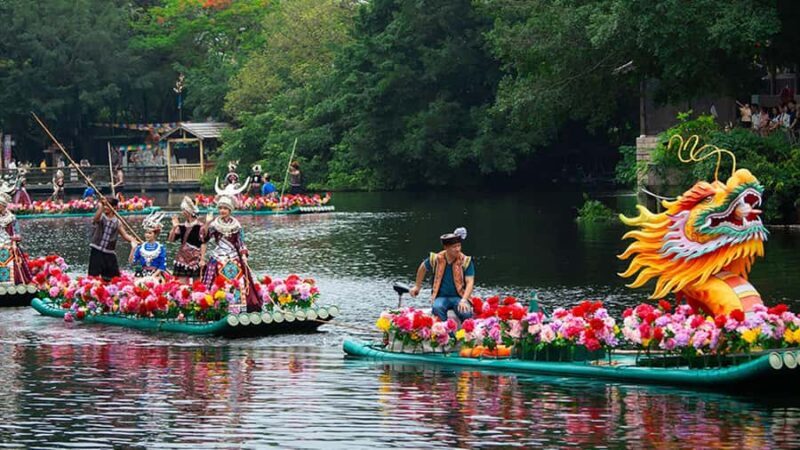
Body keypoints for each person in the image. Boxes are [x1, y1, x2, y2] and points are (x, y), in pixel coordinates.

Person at [202, 179, 259, 312]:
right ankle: (218, 307)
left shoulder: (237, 225)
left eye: (225, 209)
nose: (222, 211)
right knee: (217, 280)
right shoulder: (214, 224)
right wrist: (206, 223)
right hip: (219, 256)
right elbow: (204, 239)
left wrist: (244, 255)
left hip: (234, 256)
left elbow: (241, 242)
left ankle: (239, 307)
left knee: (239, 280)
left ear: (230, 210)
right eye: (220, 208)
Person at [409, 227, 475, 322]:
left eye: (459, 246)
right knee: (437, 308)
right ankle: (447, 334)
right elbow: (422, 268)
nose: (457, 249)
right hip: (441, 297)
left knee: (465, 313)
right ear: (446, 248)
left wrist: (464, 300)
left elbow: (470, 282)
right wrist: (417, 286)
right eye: (454, 247)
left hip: (459, 296)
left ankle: (465, 336)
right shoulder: (436, 259)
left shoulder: (465, 261)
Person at [88, 198, 138, 281]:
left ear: (114, 207)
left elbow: (125, 235)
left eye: (108, 206)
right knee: (93, 276)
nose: (106, 208)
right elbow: (95, 219)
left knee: (113, 277)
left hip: (109, 252)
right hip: (97, 250)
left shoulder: (117, 222)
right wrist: (101, 206)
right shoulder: (101, 217)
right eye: (105, 206)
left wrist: (134, 241)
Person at [168, 196, 206, 282]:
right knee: (182, 284)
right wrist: (174, 227)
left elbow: (203, 243)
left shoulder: (200, 226)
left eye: (184, 210)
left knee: (197, 284)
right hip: (182, 258)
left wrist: (202, 259)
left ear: (189, 211)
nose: (182, 212)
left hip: (196, 258)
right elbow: (171, 240)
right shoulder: (181, 226)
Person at [0, 183, 32, 285]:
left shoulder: (11, 217)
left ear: (4, 206)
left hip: (9, 243)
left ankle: (14, 281)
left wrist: (14, 240)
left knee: (13, 253)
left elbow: (16, 232)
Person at [130, 211, 168, 279]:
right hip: (142, 274)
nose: (147, 235)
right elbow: (132, 262)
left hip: (156, 274)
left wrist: (152, 277)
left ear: (155, 234)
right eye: (146, 233)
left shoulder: (161, 248)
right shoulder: (140, 247)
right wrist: (133, 249)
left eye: (150, 233)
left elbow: (162, 266)